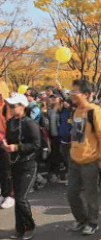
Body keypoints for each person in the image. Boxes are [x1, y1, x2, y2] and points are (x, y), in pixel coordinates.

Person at [68, 79, 101, 236]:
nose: (71, 94)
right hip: (74, 159)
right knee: (72, 193)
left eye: (74, 92)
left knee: (91, 194)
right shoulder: (76, 111)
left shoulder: (94, 111)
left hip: (90, 161)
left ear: (85, 94)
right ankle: (81, 219)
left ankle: (92, 222)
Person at [3, 93, 41, 240]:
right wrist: (5, 146)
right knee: (17, 199)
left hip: (28, 165)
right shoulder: (11, 121)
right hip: (15, 164)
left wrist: (17, 147)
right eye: (9, 105)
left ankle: (30, 225)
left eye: (13, 105)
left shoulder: (30, 123)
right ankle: (20, 230)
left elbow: (37, 145)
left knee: (21, 199)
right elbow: (8, 139)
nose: (11, 108)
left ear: (23, 107)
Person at [0, 90, 15, 209]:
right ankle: (3, 193)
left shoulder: (7, 107)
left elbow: (11, 126)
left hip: (5, 142)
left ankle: (10, 195)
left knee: (7, 170)